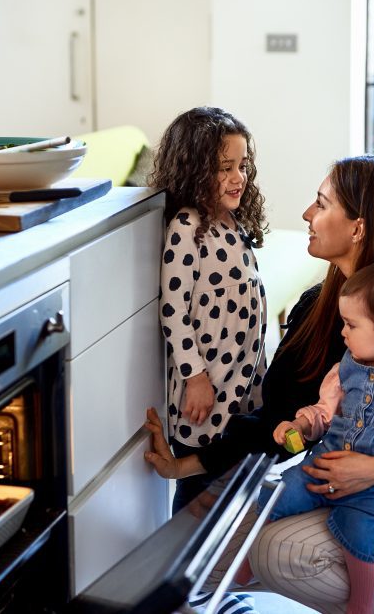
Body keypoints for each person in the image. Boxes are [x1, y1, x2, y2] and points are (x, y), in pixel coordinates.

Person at [145, 154, 374, 613]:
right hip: (330, 485)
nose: (306, 214)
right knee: (198, 563)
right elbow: (276, 420)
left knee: (278, 551)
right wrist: (183, 465)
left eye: (321, 203)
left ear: (358, 228)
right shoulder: (319, 307)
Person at [234, 258, 374, 614]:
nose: (343, 332)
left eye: (351, 324)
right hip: (323, 466)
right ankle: (246, 565)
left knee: (360, 533)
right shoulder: (347, 366)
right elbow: (324, 413)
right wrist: (300, 425)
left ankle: (363, 605)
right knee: (277, 494)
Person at [149, 106, 269, 513]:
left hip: (241, 381)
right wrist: (195, 377)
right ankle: (186, 553)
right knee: (197, 491)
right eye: (224, 168)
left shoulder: (233, 222)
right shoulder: (187, 226)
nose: (238, 178)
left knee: (231, 476)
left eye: (242, 166)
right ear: (195, 171)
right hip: (207, 389)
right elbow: (173, 310)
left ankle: (226, 546)